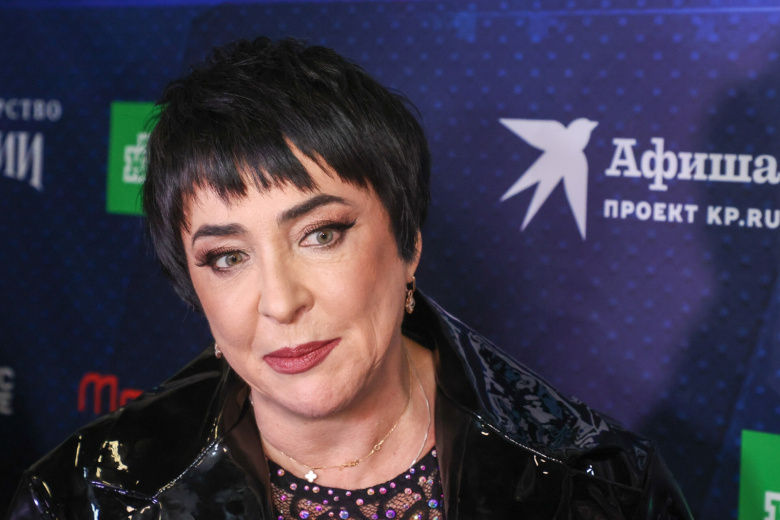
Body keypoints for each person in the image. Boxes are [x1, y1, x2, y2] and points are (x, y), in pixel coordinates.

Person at [6, 37, 692, 520]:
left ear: (408, 243)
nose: (281, 302)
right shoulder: (83, 497)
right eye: (227, 257)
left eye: (321, 234)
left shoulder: (598, 483)